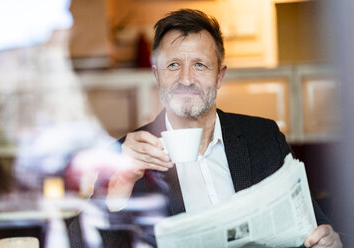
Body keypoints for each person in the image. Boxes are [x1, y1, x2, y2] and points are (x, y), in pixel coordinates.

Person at [107, 9, 342, 247]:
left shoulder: (264, 137)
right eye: (174, 65)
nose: (186, 79)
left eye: (199, 65)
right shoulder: (125, 154)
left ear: (220, 76)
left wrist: (330, 241)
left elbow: (316, 226)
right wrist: (120, 183)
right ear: (157, 75)